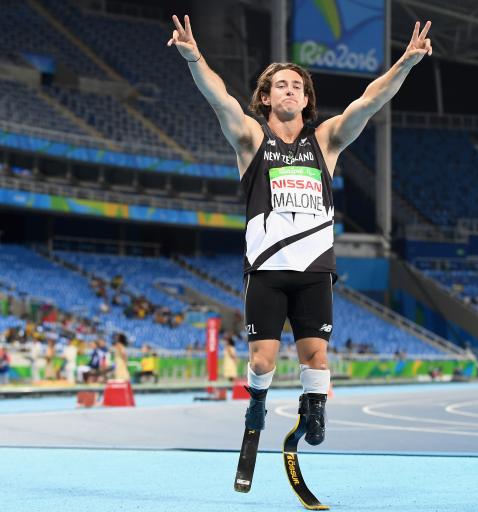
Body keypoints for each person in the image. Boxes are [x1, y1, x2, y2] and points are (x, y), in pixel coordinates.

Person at [168, 14, 432, 445]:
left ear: (306, 98)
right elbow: (221, 101)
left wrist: (404, 63)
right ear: (266, 97)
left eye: (297, 86)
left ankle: (315, 409)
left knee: (316, 356)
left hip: (313, 270)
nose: (289, 90)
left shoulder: (325, 141)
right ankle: (257, 401)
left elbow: (368, 101)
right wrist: (195, 57)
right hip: (267, 271)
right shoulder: (252, 140)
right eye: (281, 85)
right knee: (262, 360)